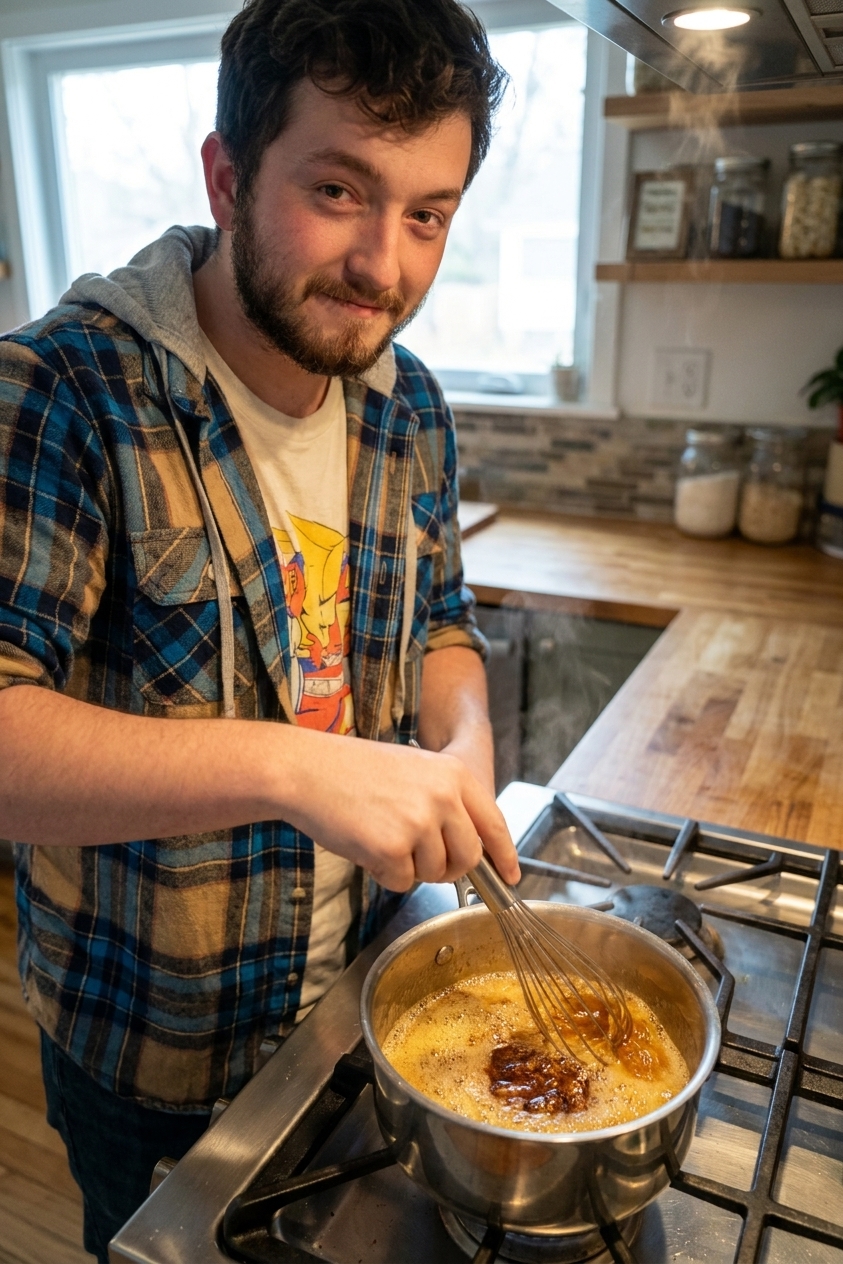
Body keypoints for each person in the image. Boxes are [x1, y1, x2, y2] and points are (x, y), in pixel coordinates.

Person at [0, 0, 520, 1258]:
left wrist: (459, 746)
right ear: (228, 176)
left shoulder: (409, 405)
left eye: (428, 214)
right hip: (154, 1043)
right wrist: (300, 767)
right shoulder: (67, 390)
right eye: (339, 189)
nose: (384, 266)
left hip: (354, 1003)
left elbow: (440, 618)